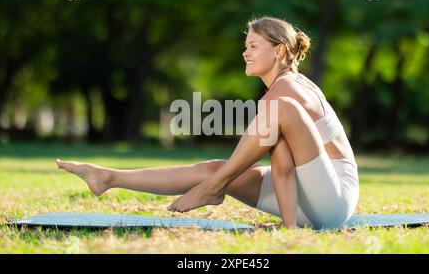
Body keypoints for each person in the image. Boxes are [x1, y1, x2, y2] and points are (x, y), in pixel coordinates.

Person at [56, 16, 359, 230]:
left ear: (278, 51)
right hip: (309, 202)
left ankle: (214, 187)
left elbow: (284, 164)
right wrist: (289, 226)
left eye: (253, 46)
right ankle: (108, 178)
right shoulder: (277, 96)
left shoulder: (286, 93)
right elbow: (282, 164)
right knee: (215, 167)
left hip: (334, 197)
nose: (245, 52)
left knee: (276, 113)